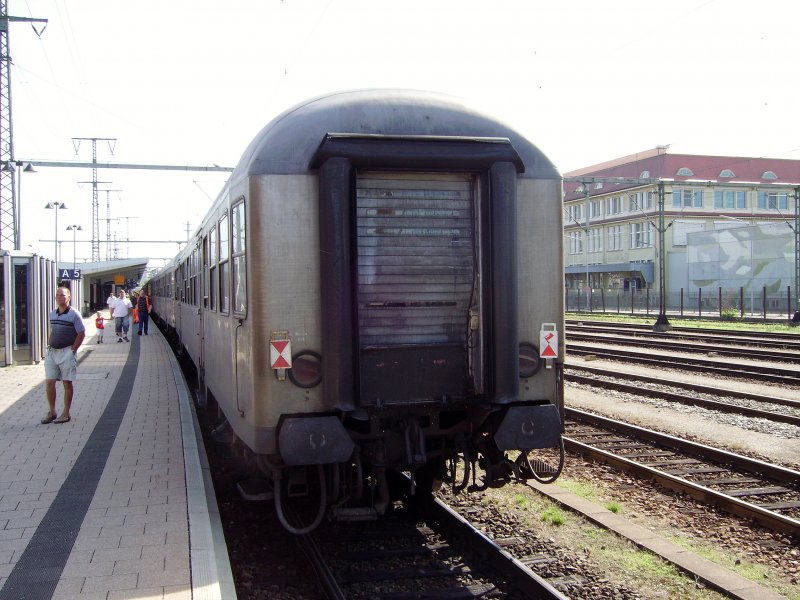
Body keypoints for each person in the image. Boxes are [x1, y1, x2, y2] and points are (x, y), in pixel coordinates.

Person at [42, 287, 85, 424]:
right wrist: (49, 345)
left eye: (63, 295)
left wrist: (72, 350)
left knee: (67, 382)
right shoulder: (52, 314)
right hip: (52, 352)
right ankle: (52, 412)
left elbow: (81, 333)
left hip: (67, 351)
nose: (60, 297)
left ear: (69, 297)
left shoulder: (74, 314)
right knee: (49, 382)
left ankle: (66, 413)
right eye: (57, 295)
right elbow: (53, 331)